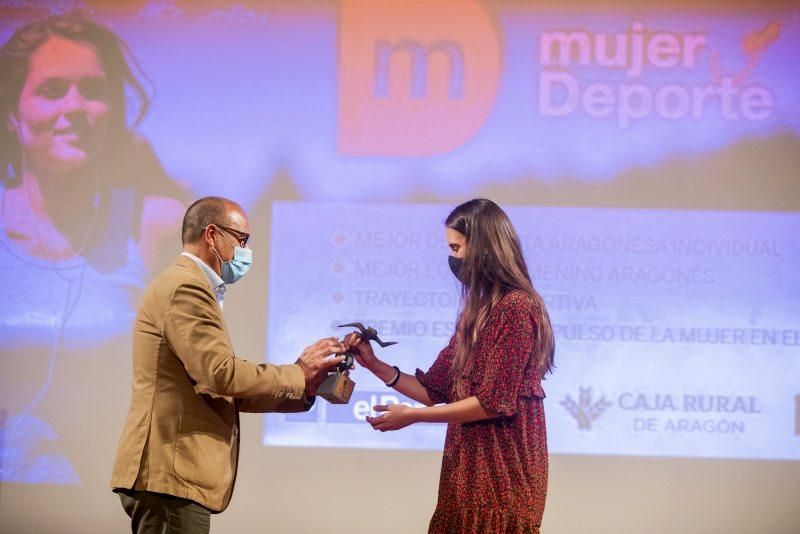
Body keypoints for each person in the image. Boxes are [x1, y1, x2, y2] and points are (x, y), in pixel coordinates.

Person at [0, 11, 184, 484]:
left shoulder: (157, 225)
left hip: (109, 508)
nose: (77, 106)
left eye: (94, 90)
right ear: (11, 114)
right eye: (51, 90)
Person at [111, 196, 347, 532]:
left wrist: (305, 384)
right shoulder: (186, 287)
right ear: (211, 234)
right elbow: (220, 374)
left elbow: (218, 385)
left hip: (175, 477)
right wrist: (298, 372)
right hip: (169, 474)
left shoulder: (193, 286)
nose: (245, 251)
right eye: (241, 240)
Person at [345, 198, 555, 534]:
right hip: (466, 472)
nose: (453, 258)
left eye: (457, 248)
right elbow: (434, 391)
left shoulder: (515, 308)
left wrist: (412, 417)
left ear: (485, 248)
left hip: (503, 474)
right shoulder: (476, 314)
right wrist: (374, 364)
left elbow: (493, 402)